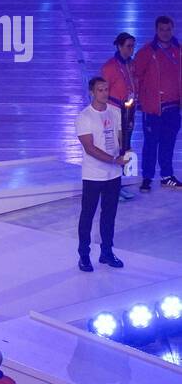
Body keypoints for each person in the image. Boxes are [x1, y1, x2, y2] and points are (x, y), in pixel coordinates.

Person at [75, 76, 127, 271]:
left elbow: (121, 138)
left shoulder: (114, 112)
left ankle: (106, 252)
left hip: (113, 175)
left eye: (106, 89)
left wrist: (125, 152)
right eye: (100, 90)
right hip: (93, 175)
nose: (104, 93)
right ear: (91, 92)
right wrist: (114, 160)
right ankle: (84, 255)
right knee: (87, 215)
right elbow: (90, 148)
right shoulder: (84, 117)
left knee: (109, 215)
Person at [131, 14, 181, 191]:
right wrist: (139, 99)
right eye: (162, 29)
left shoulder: (178, 50)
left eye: (168, 29)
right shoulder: (147, 52)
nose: (165, 33)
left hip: (173, 107)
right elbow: (135, 76)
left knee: (169, 142)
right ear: (156, 30)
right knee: (151, 143)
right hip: (153, 108)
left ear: (172, 29)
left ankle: (167, 176)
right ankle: (147, 177)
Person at [101, 32, 138, 200]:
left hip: (129, 111)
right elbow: (102, 91)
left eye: (133, 46)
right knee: (114, 148)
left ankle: (119, 185)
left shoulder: (132, 64)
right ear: (119, 46)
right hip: (115, 111)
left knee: (125, 148)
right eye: (129, 46)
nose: (131, 49)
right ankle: (111, 189)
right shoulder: (110, 67)